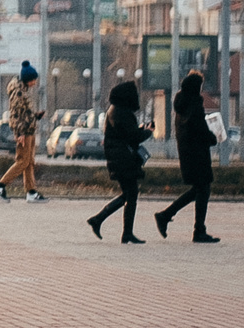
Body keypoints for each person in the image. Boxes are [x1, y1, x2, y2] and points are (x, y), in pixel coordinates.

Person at [159, 69, 221, 243]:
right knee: (203, 189)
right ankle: (196, 230)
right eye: (200, 87)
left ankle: (167, 216)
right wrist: (212, 138)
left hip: (187, 152)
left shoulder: (181, 104)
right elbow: (200, 129)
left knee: (199, 189)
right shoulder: (194, 104)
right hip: (197, 153)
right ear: (196, 87)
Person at [89, 80, 152, 243]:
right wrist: (148, 132)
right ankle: (103, 221)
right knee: (131, 194)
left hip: (119, 158)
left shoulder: (115, 110)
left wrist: (141, 129)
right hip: (124, 159)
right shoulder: (123, 113)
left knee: (129, 194)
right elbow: (133, 137)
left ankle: (112, 225)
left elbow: (126, 134)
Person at [0, 61, 45, 201]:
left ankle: (31, 192)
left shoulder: (23, 90)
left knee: (29, 161)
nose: (35, 83)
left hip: (29, 130)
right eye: (33, 80)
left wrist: (35, 116)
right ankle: (0, 186)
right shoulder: (18, 92)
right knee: (22, 161)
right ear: (28, 79)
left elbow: (24, 112)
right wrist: (19, 133)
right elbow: (15, 114)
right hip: (24, 132)